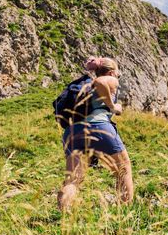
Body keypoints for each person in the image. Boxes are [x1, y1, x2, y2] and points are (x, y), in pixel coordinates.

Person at [57, 56, 134, 212]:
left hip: (73, 131)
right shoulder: (108, 79)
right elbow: (100, 83)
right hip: (98, 126)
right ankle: (125, 212)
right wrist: (113, 107)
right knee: (123, 168)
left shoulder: (84, 86)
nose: (118, 76)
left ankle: (63, 217)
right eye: (118, 73)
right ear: (111, 72)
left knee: (73, 179)